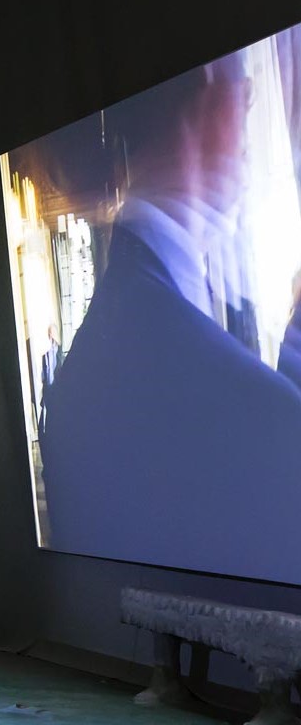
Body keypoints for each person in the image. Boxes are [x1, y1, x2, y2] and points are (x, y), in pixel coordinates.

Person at [41, 51, 301, 585]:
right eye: (246, 96)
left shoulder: (123, 325)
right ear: (209, 85)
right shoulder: (247, 403)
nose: (252, 134)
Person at [38, 323, 63, 433]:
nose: (51, 336)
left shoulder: (59, 353)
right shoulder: (47, 354)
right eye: (50, 333)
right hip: (49, 389)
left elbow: (58, 371)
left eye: (52, 333)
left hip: (55, 389)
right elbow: (45, 374)